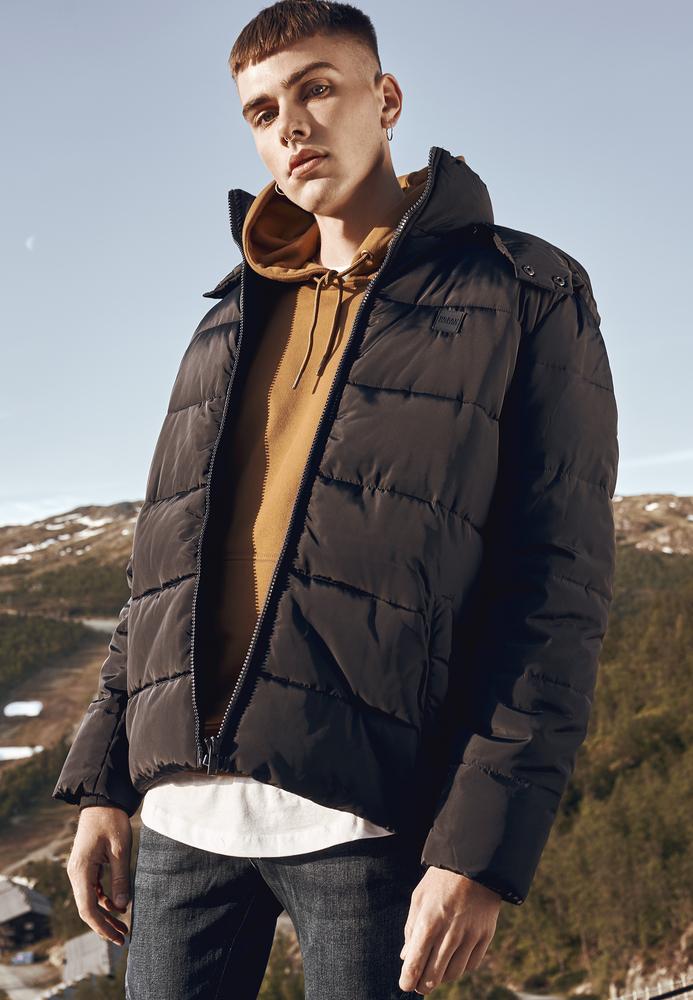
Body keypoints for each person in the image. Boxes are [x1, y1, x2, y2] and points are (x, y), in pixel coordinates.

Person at [53, 2, 619, 998]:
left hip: (370, 822)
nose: (292, 126)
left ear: (385, 98)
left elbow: (554, 588)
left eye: (317, 88)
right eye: (262, 110)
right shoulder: (225, 320)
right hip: (183, 821)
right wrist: (104, 781)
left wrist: (478, 850)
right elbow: (158, 577)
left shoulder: (523, 289)